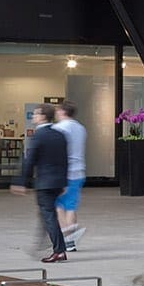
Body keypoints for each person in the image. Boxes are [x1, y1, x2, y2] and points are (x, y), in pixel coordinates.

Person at [13, 113, 70, 263]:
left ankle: (59, 250)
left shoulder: (39, 135)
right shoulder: (60, 135)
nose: (34, 117)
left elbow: (29, 160)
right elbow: (64, 160)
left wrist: (22, 182)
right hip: (57, 182)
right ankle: (42, 242)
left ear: (43, 116)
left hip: (45, 183)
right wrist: (64, 181)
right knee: (45, 214)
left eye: (37, 114)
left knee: (48, 215)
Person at [52, 101, 88, 249]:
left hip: (63, 172)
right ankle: (71, 241)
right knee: (71, 206)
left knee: (58, 206)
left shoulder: (58, 128)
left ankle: (66, 237)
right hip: (79, 170)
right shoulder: (81, 128)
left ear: (62, 112)